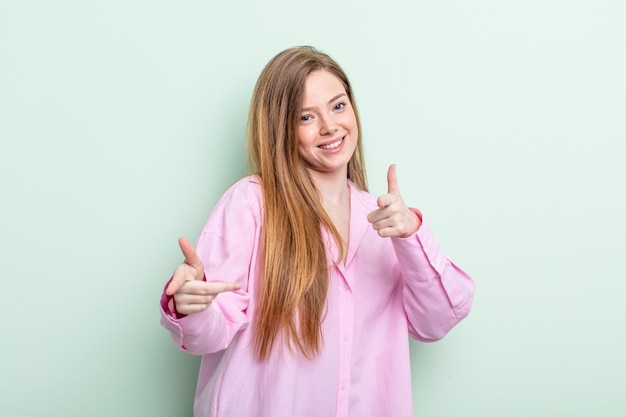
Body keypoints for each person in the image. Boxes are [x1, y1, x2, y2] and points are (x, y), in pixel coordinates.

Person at [160, 46, 475, 417]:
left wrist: (412, 237)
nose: (330, 126)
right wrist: (191, 307)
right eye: (306, 116)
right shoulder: (251, 203)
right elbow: (210, 333)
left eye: (339, 106)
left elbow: (436, 321)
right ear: (281, 129)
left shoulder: (385, 220)